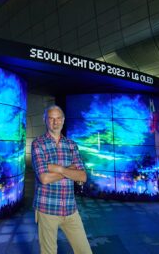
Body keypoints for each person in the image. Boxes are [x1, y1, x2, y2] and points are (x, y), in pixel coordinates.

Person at [31, 105, 92, 254]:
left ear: (63, 120)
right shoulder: (38, 144)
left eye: (58, 118)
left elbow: (82, 176)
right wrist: (70, 170)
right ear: (45, 120)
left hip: (70, 209)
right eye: (51, 118)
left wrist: (58, 169)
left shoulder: (71, 145)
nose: (55, 122)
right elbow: (44, 178)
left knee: (84, 251)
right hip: (47, 209)